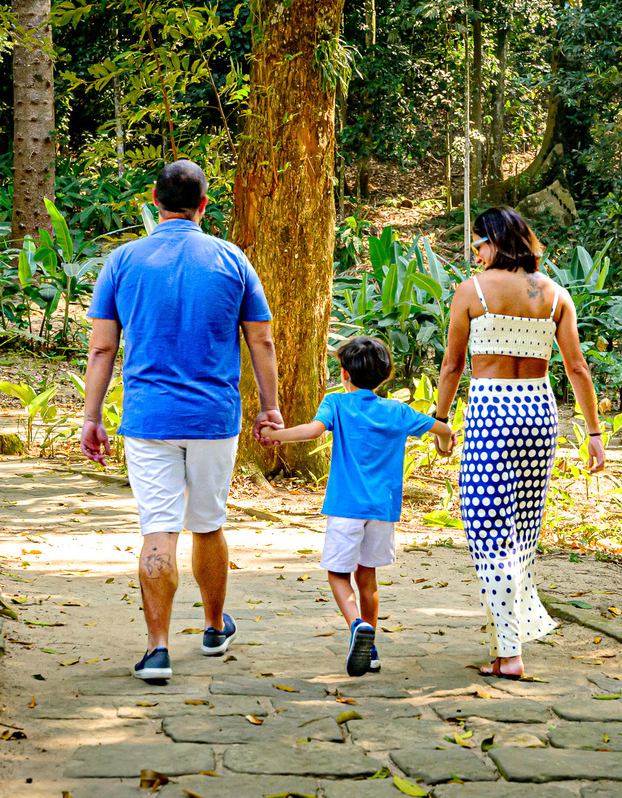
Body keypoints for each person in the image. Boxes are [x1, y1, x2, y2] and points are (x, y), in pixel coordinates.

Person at [80, 159, 282, 682]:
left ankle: (158, 648)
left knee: (158, 531)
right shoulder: (231, 259)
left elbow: (103, 348)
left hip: (148, 418)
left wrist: (91, 415)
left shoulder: (123, 261)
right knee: (209, 524)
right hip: (215, 417)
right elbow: (260, 339)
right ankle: (214, 627)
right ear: (204, 205)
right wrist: (270, 406)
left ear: (154, 199)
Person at [433, 207, 605, 680]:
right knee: (523, 533)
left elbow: (452, 367)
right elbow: (578, 369)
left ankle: (510, 650)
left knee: (485, 529)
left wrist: (441, 419)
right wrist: (593, 433)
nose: (476, 252)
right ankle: (512, 633)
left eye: (478, 243)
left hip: (491, 411)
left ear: (495, 241)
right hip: (539, 411)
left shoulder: (472, 291)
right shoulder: (555, 295)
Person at [260, 336, 453, 676]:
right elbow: (443, 428)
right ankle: (372, 648)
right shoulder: (398, 411)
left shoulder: (336, 404)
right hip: (382, 511)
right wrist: (443, 443)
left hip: (346, 507)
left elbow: (311, 431)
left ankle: (355, 625)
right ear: (386, 375)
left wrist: (277, 435)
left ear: (344, 373)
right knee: (368, 578)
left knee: (337, 573)